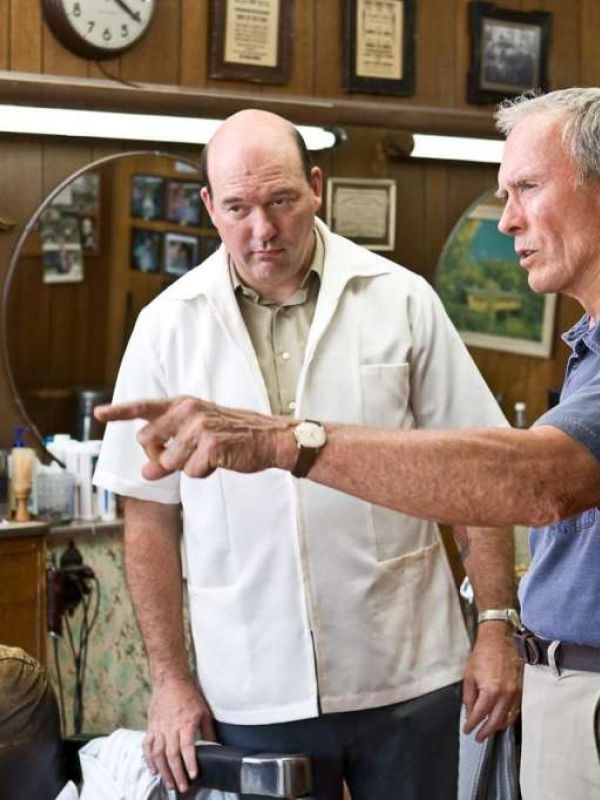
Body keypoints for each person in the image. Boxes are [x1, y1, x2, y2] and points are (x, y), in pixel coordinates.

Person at [96, 90, 600, 799]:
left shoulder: (400, 299)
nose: (262, 229)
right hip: (253, 683)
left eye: (281, 201)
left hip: (409, 671)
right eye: (238, 208)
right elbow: (147, 512)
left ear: (316, 188)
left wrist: (494, 624)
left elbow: (486, 473)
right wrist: (170, 681)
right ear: (209, 207)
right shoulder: (165, 326)